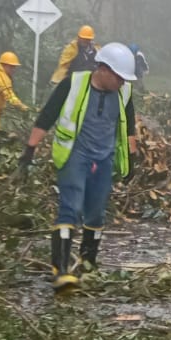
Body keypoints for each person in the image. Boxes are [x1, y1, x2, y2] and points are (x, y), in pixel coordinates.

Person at [19, 42, 140, 290]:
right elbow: (47, 116)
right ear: (104, 70)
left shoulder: (124, 92)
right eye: (119, 77)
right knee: (70, 208)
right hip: (75, 155)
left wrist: (132, 159)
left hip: (103, 160)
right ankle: (60, 271)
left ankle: (88, 266)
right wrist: (29, 151)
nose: (122, 83)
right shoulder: (73, 83)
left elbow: (128, 127)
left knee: (96, 213)